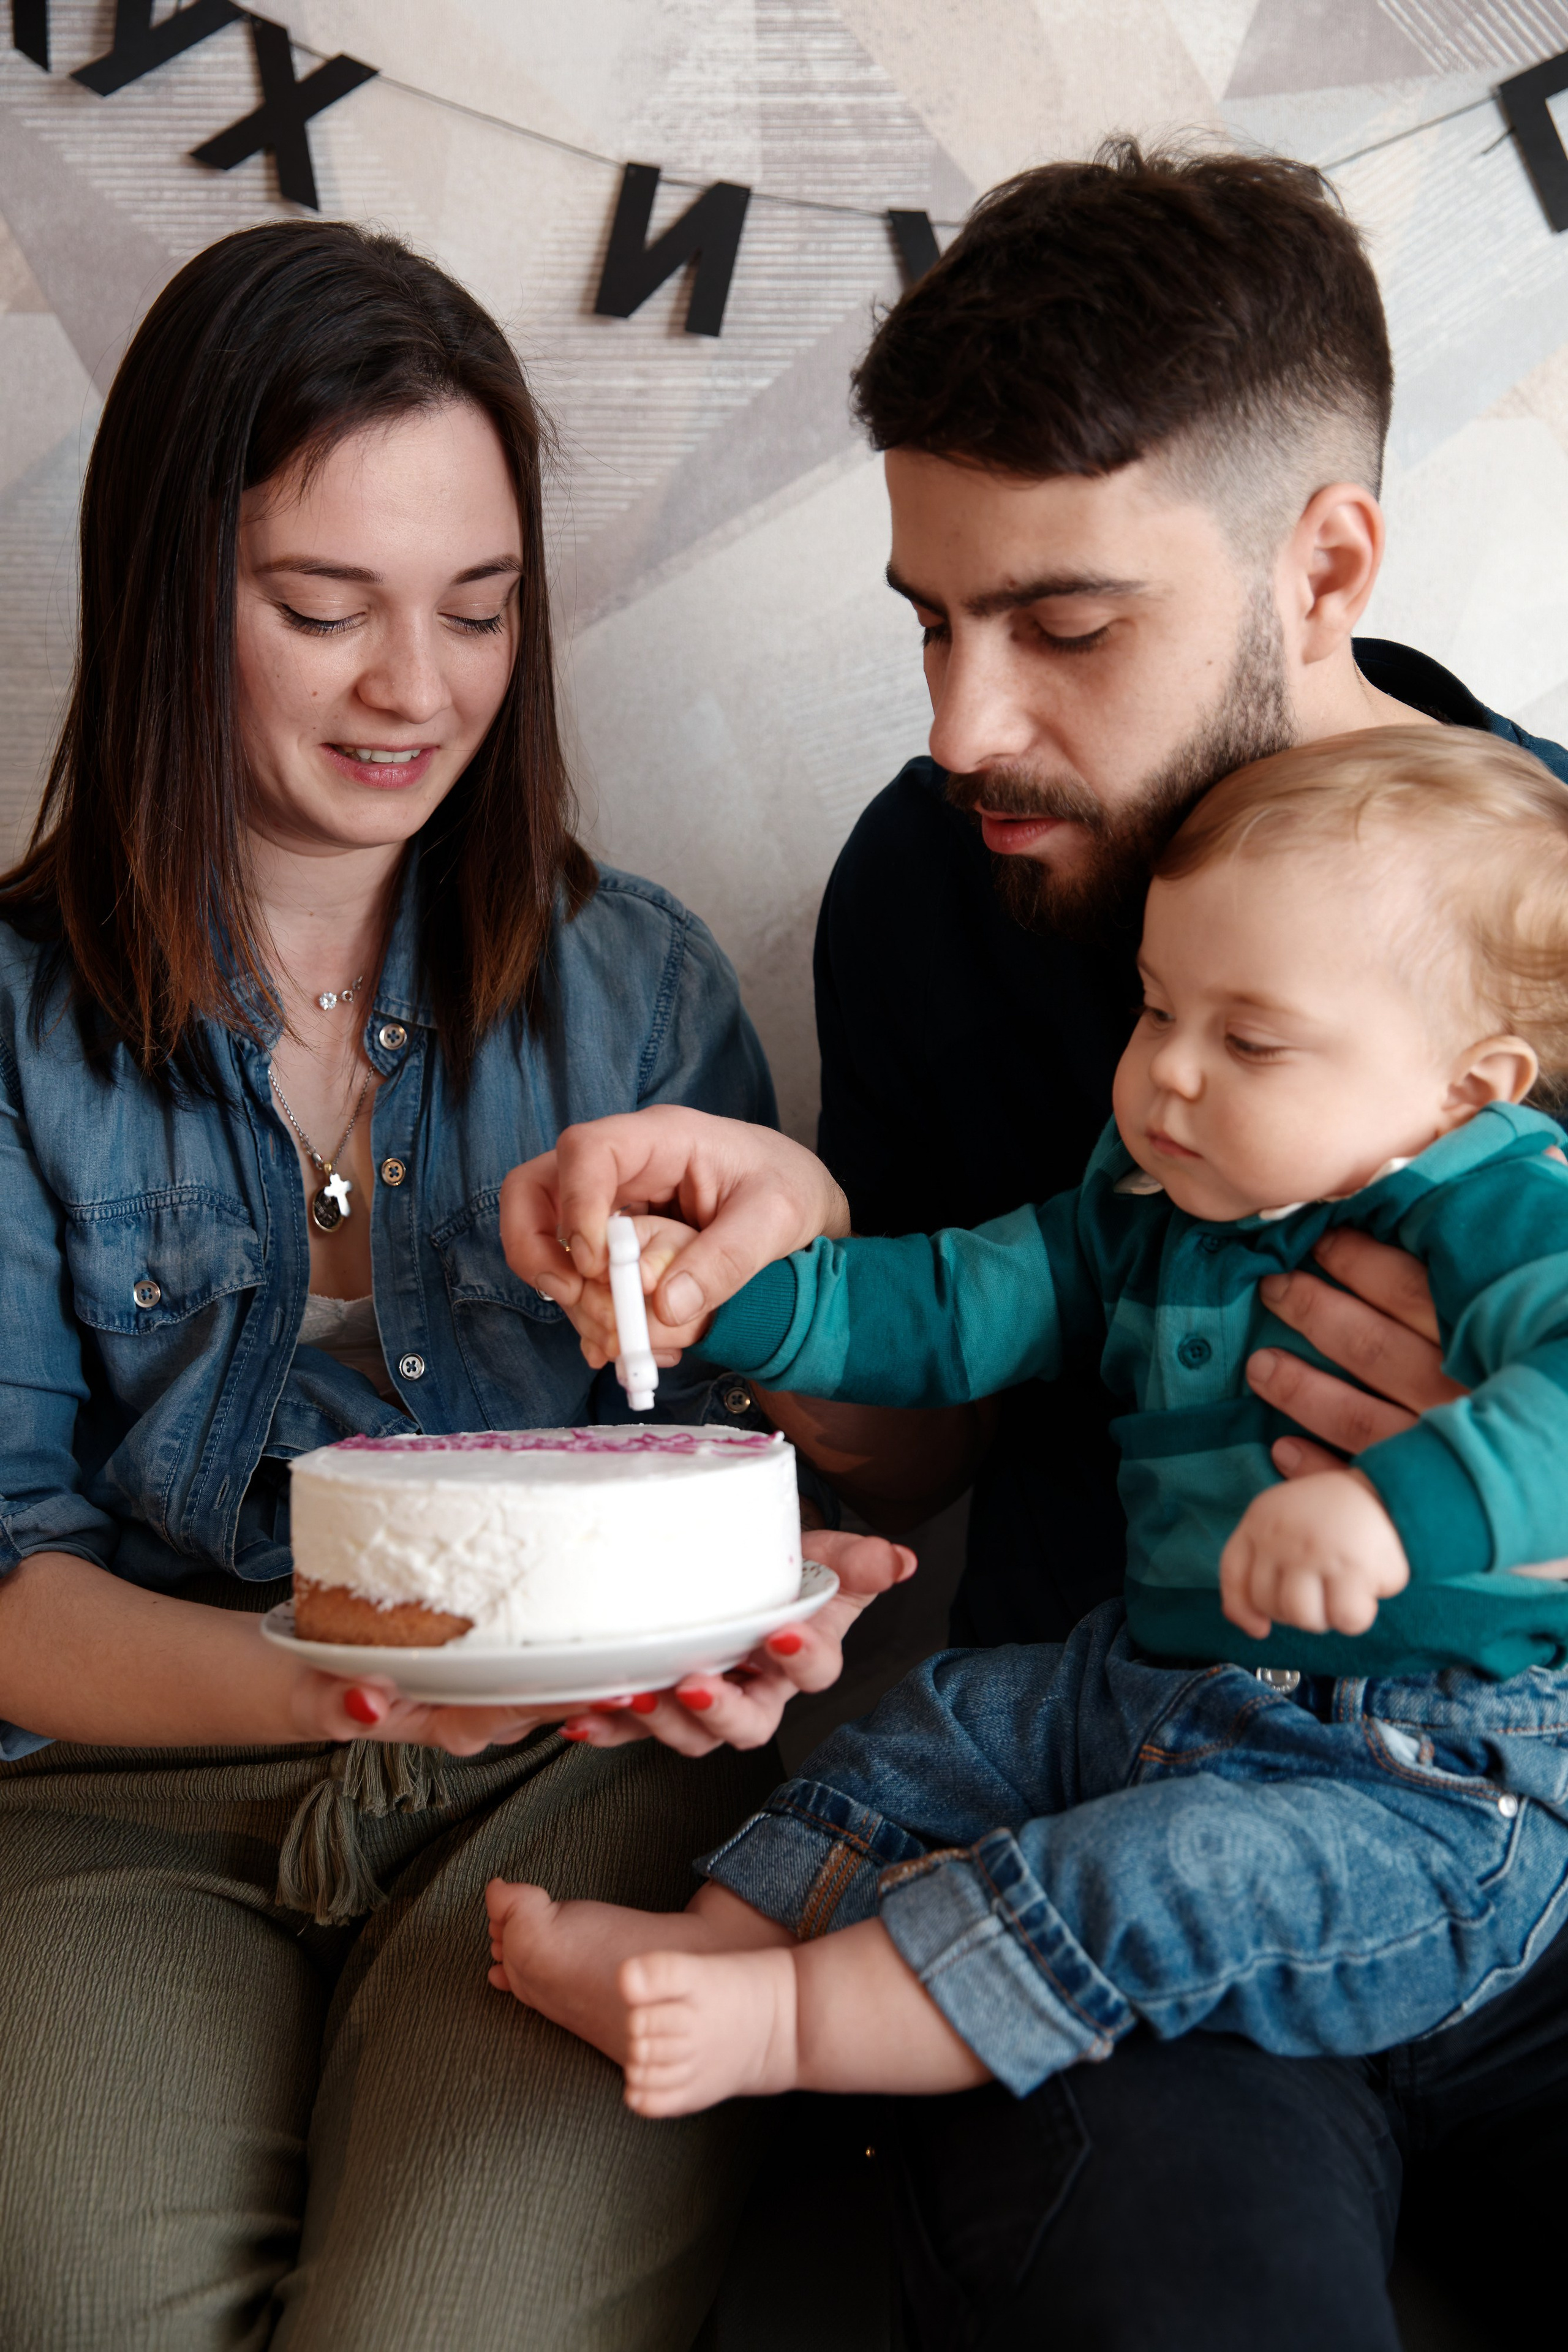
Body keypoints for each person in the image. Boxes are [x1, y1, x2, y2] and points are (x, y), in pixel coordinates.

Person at [502, 148, 1568, 2350]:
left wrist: (1487, 1500)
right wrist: (781, 1274)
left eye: (1065, 627)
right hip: (1129, 1821)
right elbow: (916, 1438)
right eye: (930, 617)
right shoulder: (938, 877)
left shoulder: (1536, 918)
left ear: (1325, 561)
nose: (963, 724)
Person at [0, 220, 906, 2352]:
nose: (418, 690)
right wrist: (356, 1683)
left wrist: (810, 1431)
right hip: (131, 1801)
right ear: (161, 603)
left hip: (578, 1779)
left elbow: (775, 1471)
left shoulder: (638, 987)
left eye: (479, 612)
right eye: (324, 611)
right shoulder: (18, 1034)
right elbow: (11, 1578)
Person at [486, 724, 1568, 2127]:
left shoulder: (1506, 1207)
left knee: (1163, 1873)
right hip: (1146, 1683)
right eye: (1153, 1008)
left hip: (1415, 1780)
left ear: (1464, 1087)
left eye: (1246, 1039)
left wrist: (1384, 1509)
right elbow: (944, 1306)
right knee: (938, 1720)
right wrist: (714, 1298)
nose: (1167, 1074)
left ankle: (788, 2022)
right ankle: (722, 1939)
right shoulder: (1152, 1197)